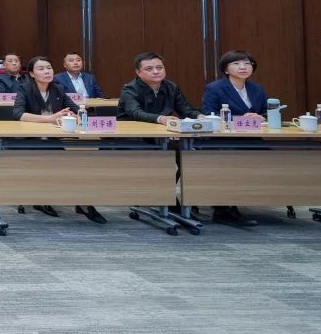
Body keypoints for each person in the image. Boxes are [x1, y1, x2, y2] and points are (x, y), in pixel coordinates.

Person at [12, 56, 105, 223]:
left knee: (72, 166)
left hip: (51, 141)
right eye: (41, 69)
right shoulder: (24, 88)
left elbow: (77, 110)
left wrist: (76, 116)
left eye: (49, 68)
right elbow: (19, 114)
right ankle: (46, 199)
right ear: (32, 74)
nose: (47, 71)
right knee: (55, 163)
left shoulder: (59, 89)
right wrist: (50, 118)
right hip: (28, 141)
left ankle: (82, 203)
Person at [200, 50, 268, 227]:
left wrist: (261, 117)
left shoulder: (257, 89)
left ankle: (249, 197)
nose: (243, 67)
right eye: (236, 64)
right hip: (222, 141)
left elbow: (266, 113)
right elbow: (208, 115)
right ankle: (223, 208)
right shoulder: (215, 88)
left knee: (271, 158)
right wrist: (239, 119)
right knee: (230, 159)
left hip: (252, 139)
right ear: (226, 69)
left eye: (247, 63)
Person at [118, 52, 199, 125]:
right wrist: (161, 119)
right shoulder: (129, 89)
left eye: (159, 67)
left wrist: (200, 116)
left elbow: (186, 110)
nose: (156, 72)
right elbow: (136, 113)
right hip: (134, 132)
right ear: (138, 72)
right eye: (149, 69)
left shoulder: (171, 87)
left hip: (162, 132)